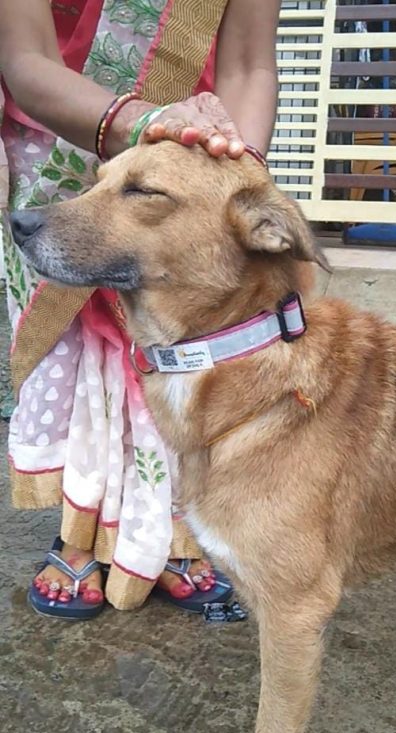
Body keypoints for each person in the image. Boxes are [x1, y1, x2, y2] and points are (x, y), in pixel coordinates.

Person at [0, 0, 281, 619]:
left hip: (192, 141)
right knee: (82, 348)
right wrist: (150, 125)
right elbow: (25, 58)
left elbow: (247, 62)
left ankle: (178, 529)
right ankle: (81, 530)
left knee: (177, 334)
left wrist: (238, 169)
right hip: (66, 131)